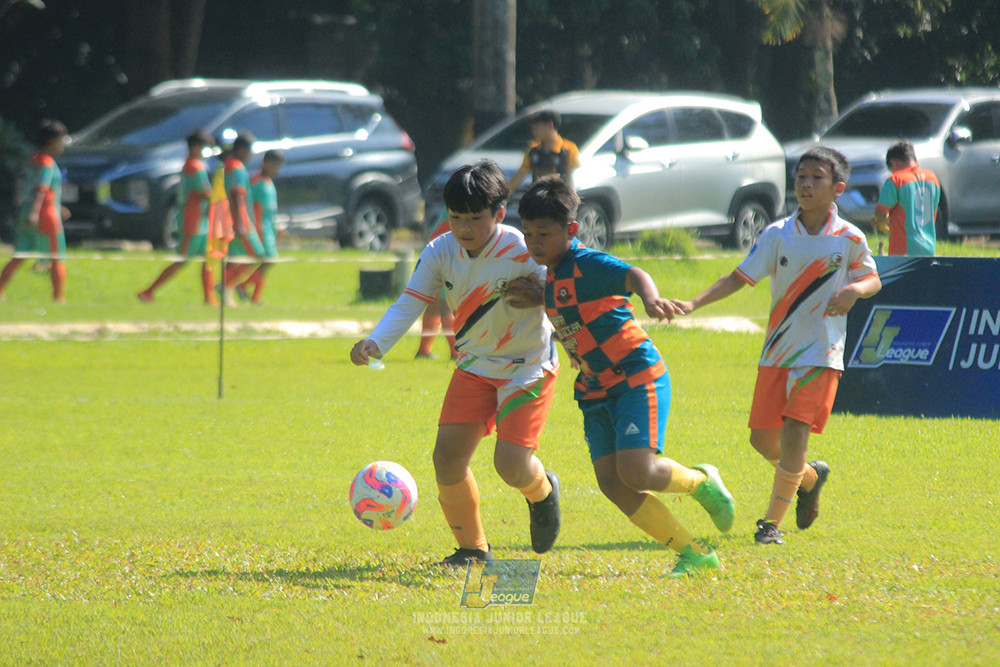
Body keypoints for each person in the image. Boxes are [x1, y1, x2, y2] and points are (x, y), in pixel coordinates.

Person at [518, 176, 735, 577]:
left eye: (543, 233)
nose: (534, 242)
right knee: (613, 483)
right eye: (528, 233)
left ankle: (702, 481)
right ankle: (695, 554)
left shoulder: (586, 264)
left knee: (637, 472)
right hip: (594, 389)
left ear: (571, 230)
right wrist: (537, 296)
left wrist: (650, 298)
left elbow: (634, 274)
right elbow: (568, 303)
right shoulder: (551, 276)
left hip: (636, 376)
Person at [349, 160, 561, 566]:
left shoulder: (522, 249)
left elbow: (563, 290)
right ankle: (473, 549)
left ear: (499, 214)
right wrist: (376, 342)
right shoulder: (440, 250)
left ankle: (542, 491)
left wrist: (541, 296)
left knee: (511, 466)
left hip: (527, 366)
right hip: (476, 365)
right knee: (446, 458)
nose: (463, 228)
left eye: (475, 218)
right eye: (456, 217)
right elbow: (411, 300)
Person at [672, 147, 882, 545]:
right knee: (762, 440)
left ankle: (770, 525)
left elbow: (873, 280)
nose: (805, 183)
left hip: (821, 353)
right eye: (801, 175)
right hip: (778, 352)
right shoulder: (777, 233)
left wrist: (854, 290)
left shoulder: (849, 237)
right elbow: (738, 277)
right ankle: (809, 478)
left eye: (816, 177)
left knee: (795, 434)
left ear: (837, 188)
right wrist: (695, 302)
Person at [138, 130, 217, 304]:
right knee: (182, 260)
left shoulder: (189, 164)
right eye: (205, 148)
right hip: (192, 220)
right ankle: (148, 291)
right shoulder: (195, 167)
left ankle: (209, 297)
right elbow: (205, 193)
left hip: (198, 219)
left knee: (208, 258)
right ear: (196, 147)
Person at [0, 119, 70, 303]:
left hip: (26, 213)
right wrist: (36, 211)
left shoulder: (32, 160)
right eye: (62, 140)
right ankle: (59, 298)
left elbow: (29, 189)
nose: (63, 144)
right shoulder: (47, 163)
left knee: (20, 255)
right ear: (52, 141)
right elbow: (41, 189)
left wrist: (56, 206)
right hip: (44, 216)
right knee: (56, 257)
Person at [872, 141, 941, 256]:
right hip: (929, 248)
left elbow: (881, 215)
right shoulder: (933, 179)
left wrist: (879, 222)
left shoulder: (895, 180)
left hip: (902, 250)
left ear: (893, 162)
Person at [219, 132, 263, 305]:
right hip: (239, 221)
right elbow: (237, 194)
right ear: (242, 150)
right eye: (250, 151)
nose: (251, 156)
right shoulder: (236, 167)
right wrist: (241, 222)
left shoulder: (228, 165)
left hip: (228, 220)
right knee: (259, 255)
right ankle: (224, 285)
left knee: (235, 258)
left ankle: (227, 290)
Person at [237, 149, 285, 304]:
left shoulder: (269, 183)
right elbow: (252, 207)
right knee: (265, 260)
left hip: (269, 230)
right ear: (265, 163)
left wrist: (277, 227)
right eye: (274, 165)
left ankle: (250, 293)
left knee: (268, 262)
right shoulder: (255, 182)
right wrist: (256, 229)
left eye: (278, 166)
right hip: (260, 230)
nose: (276, 168)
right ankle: (241, 287)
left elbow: (270, 210)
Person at [415, 210, 457, 360]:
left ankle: (424, 351)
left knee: (434, 304)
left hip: (433, 253)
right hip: (444, 256)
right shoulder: (461, 201)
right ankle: (456, 352)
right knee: (446, 305)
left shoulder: (451, 202)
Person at [508, 109, 581, 193]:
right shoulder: (533, 149)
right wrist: (505, 196)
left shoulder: (569, 149)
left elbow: (570, 178)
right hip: (538, 198)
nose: (534, 131)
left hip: (560, 199)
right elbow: (520, 175)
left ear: (550, 125)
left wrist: (571, 201)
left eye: (537, 127)